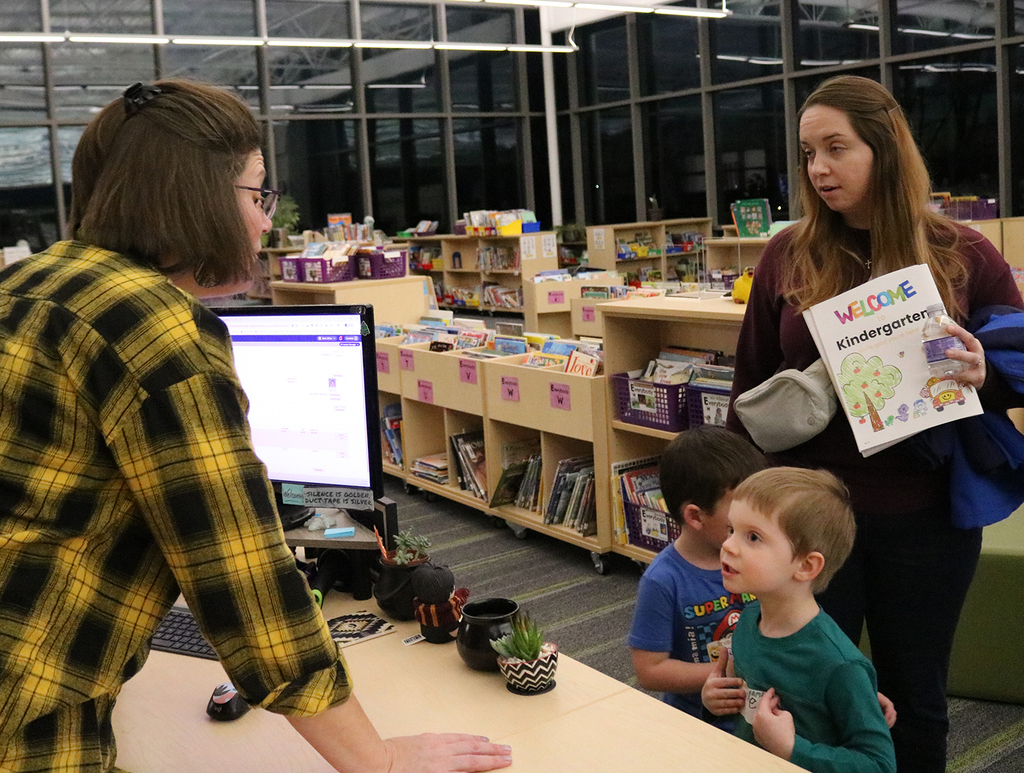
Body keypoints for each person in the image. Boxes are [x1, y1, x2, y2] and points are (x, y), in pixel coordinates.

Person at [0, 79, 512, 773]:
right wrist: (379, 759)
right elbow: (241, 576)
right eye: (258, 192)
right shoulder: (155, 328)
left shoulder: (30, 285)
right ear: (198, 195)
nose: (267, 219)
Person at [725, 74, 1024, 772]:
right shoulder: (788, 254)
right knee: (797, 691)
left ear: (886, 149)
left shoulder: (962, 253)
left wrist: (986, 370)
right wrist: (728, 519)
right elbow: (750, 384)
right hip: (808, 522)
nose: (818, 169)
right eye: (807, 153)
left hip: (927, 517)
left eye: (837, 148)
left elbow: (1017, 359)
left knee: (914, 693)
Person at [701, 467, 896, 773]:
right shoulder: (749, 618)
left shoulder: (841, 665)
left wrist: (792, 749)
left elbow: (879, 765)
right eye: (731, 530)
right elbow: (748, 704)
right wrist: (715, 701)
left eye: (753, 537)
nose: (728, 545)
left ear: (806, 566)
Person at [627, 425, 765, 726]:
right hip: (700, 724)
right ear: (695, 516)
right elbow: (649, 670)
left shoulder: (759, 557)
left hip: (762, 717)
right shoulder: (663, 580)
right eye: (740, 508)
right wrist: (724, 674)